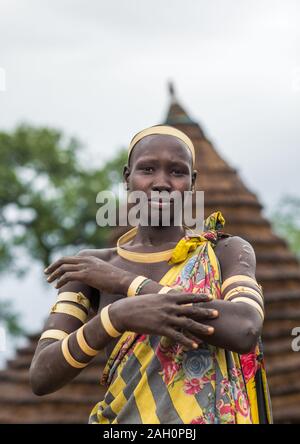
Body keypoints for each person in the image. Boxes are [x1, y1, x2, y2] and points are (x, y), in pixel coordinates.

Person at [30, 125, 272, 424]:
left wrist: (127, 284)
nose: (161, 183)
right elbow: (41, 375)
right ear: (127, 178)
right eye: (147, 169)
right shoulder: (90, 267)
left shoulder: (225, 251)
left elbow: (245, 328)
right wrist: (115, 317)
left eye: (177, 172)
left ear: (192, 183)